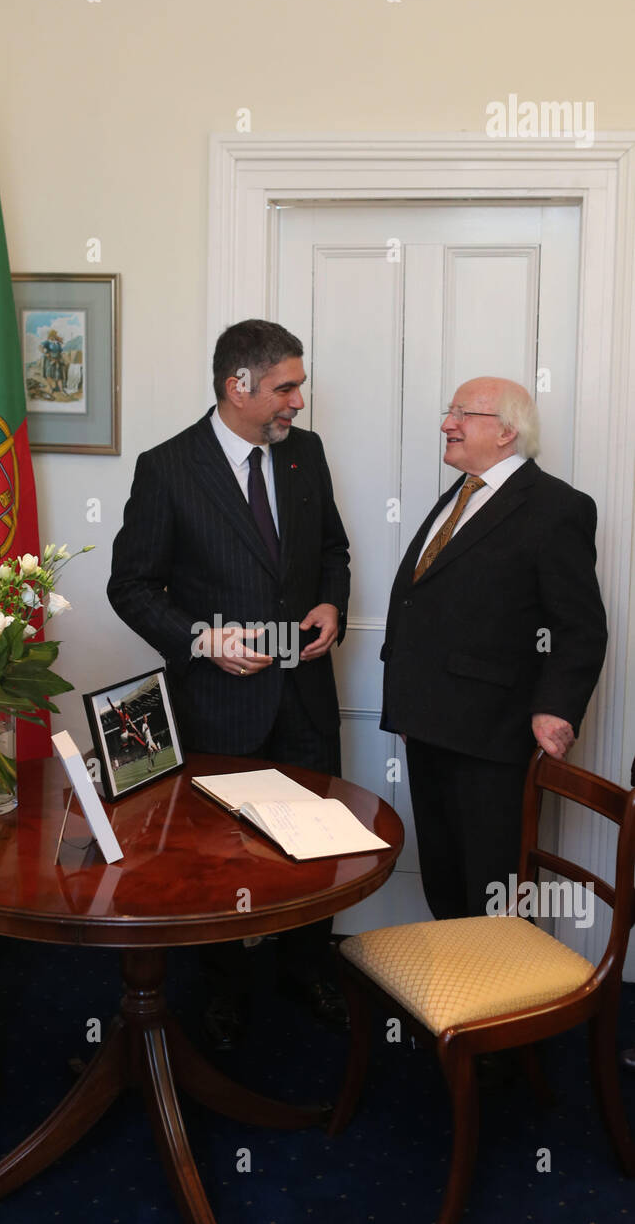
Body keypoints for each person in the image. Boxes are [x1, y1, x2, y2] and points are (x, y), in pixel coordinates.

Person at [107, 318, 350, 1048]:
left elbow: (333, 547)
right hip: (218, 707)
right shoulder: (168, 468)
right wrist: (201, 640)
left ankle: (307, 968)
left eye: (298, 385)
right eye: (287, 387)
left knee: (315, 846)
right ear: (235, 386)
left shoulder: (305, 455)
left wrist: (331, 601)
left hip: (305, 697)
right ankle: (223, 990)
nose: (298, 402)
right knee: (218, 858)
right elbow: (131, 586)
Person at [381, 376, 607, 922]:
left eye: (462, 413)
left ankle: (501, 1003)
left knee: (494, 890)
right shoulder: (461, 495)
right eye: (448, 411)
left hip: (495, 739)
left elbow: (579, 625)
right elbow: (428, 603)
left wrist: (556, 709)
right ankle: (455, 1000)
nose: (446, 423)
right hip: (428, 728)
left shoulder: (557, 507)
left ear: (507, 431)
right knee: (444, 877)